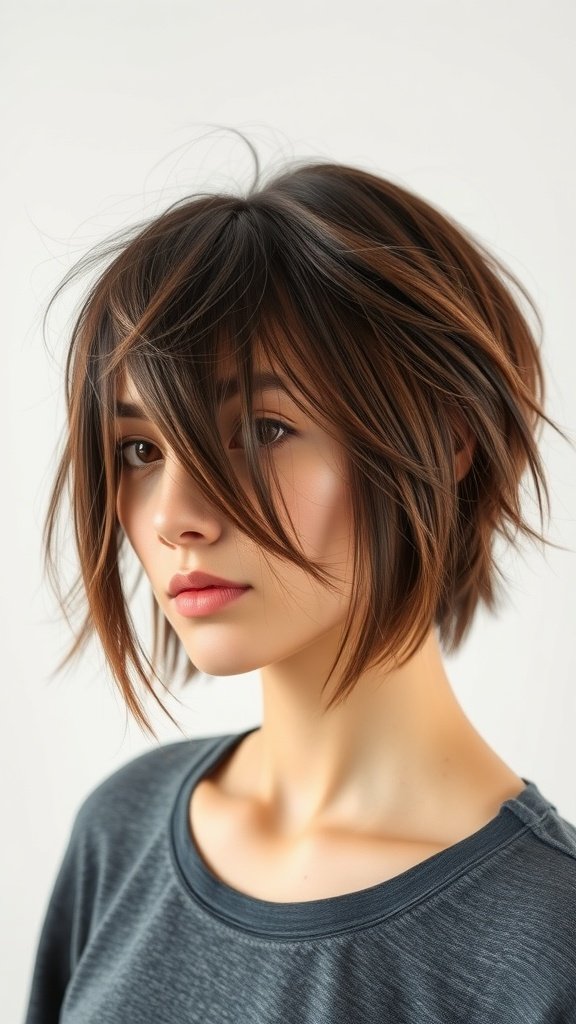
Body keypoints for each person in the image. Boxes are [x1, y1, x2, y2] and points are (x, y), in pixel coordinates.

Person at [24, 151, 576, 1023]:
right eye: (140, 449)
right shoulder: (119, 834)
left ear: (447, 440)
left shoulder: (548, 943)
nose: (174, 516)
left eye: (262, 429)